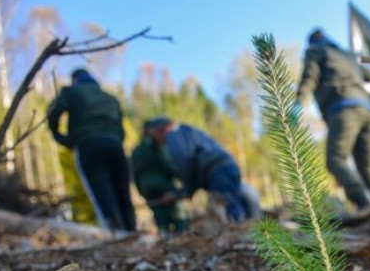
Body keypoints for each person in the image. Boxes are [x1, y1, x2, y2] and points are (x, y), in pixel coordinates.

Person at [297, 28, 370, 212]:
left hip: (343, 107)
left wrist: (298, 101)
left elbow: (310, 76)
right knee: (368, 167)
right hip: (367, 109)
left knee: (335, 159)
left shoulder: (315, 52)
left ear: (313, 42)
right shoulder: (348, 55)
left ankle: (366, 204)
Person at [47, 68, 136, 231]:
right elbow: (121, 128)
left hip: (88, 145)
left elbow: (54, 111)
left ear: (75, 80)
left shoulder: (71, 92)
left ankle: (118, 236)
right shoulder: (110, 98)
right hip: (115, 145)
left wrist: (59, 136)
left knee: (101, 191)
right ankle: (133, 232)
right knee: (123, 191)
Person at [148, 117, 255, 222]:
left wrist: (184, 190)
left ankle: (241, 233)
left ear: (160, 131)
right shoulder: (187, 131)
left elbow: (186, 162)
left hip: (217, 172)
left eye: (155, 137)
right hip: (227, 166)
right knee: (239, 206)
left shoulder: (172, 135)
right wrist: (179, 194)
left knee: (230, 211)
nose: (158, 141)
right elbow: (193, 169)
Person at [132, 120, 189, 234]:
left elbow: (135, 175)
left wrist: (142, 192)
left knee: (161, 221)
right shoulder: (157, 145)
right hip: (165, 186)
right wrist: (182, 178)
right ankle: (183, 237)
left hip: (147, 190)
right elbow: (168, 164)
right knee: (179, 216)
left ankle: (166, 239)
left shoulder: (136, 151)